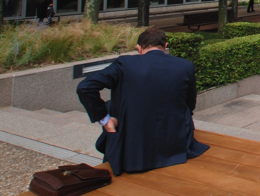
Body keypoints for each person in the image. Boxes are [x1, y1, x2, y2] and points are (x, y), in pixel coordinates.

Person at [76, 27, 209, 176]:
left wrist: (105, 120)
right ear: (165, 47)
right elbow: (189, 105)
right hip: (174, 146)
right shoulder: (185, 66)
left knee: (113, 106)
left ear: (139, 48)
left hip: (132, 152)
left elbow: (85, 87)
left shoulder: (125, 64)